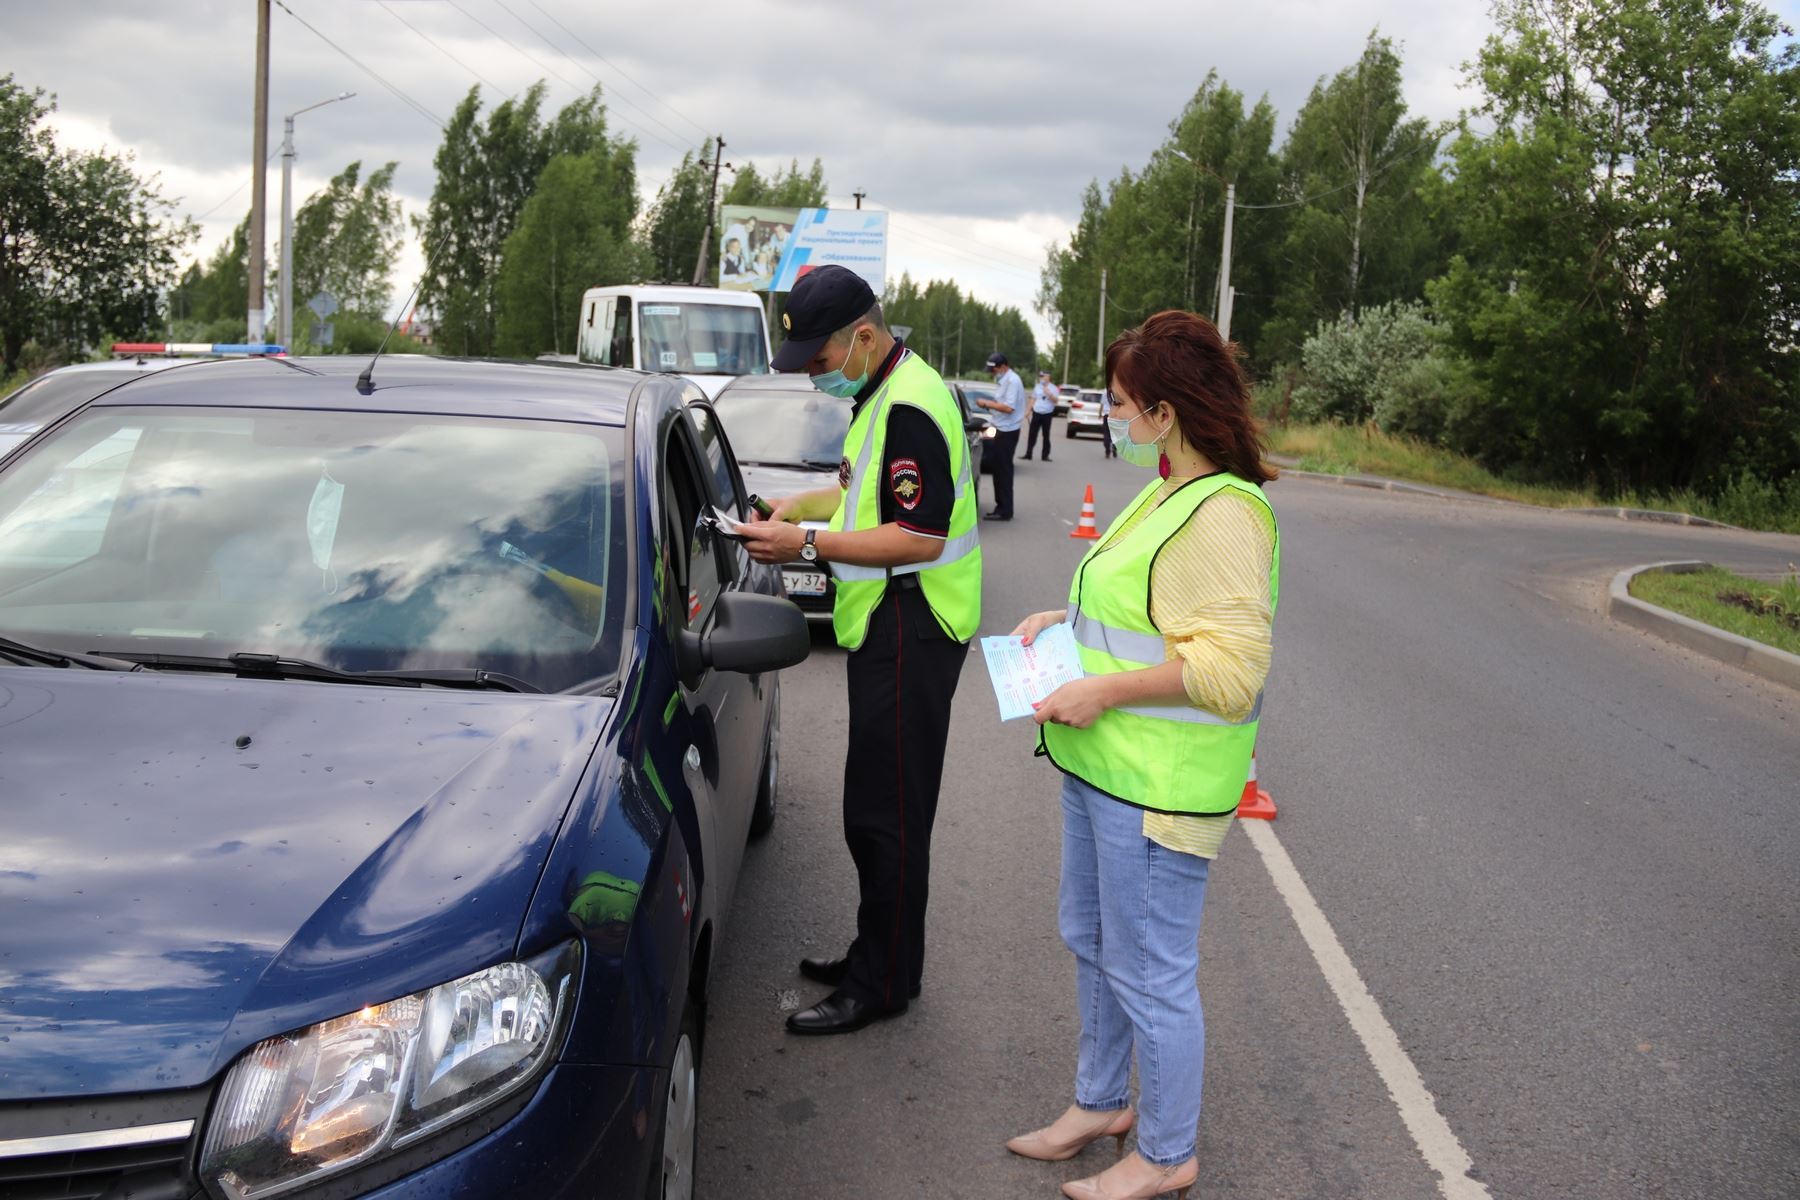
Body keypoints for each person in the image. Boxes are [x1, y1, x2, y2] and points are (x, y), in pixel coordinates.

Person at [1004, 310, 1278, 1200]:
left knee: (1152, 970)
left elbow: (1229, 672)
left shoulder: (1225, 512)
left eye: (1122, 405)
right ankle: (1099, 1103)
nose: (1113, 420)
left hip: (1157, 789)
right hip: (1102, 768)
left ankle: (1165, 1154)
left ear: (1165, 412)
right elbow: (1147, 619)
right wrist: (1064, 621)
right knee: (1092, 939)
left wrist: (1103, 689)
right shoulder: (1170, 489)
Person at [738, 265, 982, 1036]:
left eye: (819, 361)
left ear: (865, 338)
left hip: (915, 623)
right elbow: (856, 498)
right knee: (876, 808)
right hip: (891, 622)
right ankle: (881, 956)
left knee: (888, 815)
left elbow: (917, 534)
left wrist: (802, 542)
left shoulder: (909, 405)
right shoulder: (882, 392)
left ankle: (880, 983)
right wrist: (792, 507)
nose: (815, 376)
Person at [974, 351, 1024, 518]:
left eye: (994, 370)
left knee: (1003, 471)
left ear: (1003, 366)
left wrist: (986, 403)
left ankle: (1005, 510)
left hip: (1007, 431)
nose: (993, 373)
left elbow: (1009, 408)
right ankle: (1001, 507)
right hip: (1002, 429)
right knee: (998, 470)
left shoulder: (1012, 381)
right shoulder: (1004, 380)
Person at [1024, 370, 1058, 461]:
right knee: (1032, 434)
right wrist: (1028, 411)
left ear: (1048, 377)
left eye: (1043, 376)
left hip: (1047, 414)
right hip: (1037, 412)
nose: (1042, 378)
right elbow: (1033, 399)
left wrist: (1049, 394)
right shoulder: (1037, 387)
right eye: (1041, 376)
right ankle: (1028, 453)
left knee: (1046, 435)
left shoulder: (1054, 388)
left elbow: (1056, 401)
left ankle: (1045, 455)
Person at [1100, 387, 1118, 459]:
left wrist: (1099, 413)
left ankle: (1107, 450)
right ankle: (1114, 447)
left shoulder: (1105, 391)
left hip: (1107, 415)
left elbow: (1102, 404)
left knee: (1106, 433)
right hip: (1115, 416)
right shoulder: (1118, 391)